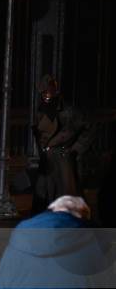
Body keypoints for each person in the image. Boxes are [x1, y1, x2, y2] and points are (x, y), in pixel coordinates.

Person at [31, 75, 94, 212]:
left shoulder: (68, 111)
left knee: (66, 197)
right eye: (43, 93)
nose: (45, 96)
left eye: (48, 92)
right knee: (42, 196)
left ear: (55, 91)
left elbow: (88, 127)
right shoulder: (42, 110)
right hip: (47, 160)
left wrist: (75, 149)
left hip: (63, 158)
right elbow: (40, 132)